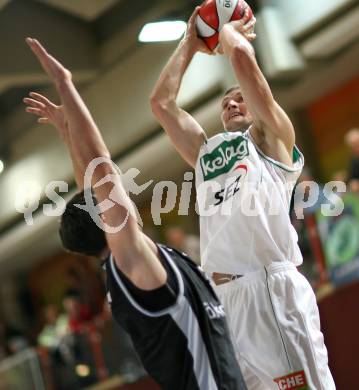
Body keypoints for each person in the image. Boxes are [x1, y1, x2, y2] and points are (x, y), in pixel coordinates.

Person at [24, 37, 247, 390]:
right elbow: (102, 173)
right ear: (106, 222)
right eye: (109, 204)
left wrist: (68, 131)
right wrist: (66, 85)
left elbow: (91, 182)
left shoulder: (128, 266)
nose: (120, 198)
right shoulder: (129, 261)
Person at [150, 6, 335, 390]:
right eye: (225, 103)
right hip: (226, 300)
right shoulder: (205, 153)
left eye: (239, 99)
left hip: (270, 289)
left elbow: (240, 59)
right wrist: (189, 41)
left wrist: (229, 28)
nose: (232, 104)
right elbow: (161, 104)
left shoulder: (273, 137)